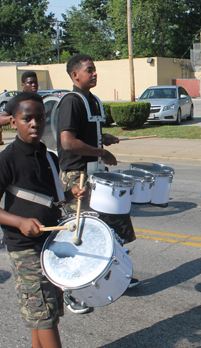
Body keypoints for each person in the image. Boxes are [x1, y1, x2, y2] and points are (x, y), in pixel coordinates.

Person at [0, 92, 86, 348]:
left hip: (49, 242)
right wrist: (20, 222)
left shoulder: (48, 156)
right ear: (13, 122)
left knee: (46, 306)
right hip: (24, 245)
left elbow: (51, 194)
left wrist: (70, 191)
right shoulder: (5, 160)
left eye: (40, 118)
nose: (34, 124)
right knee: (42, 310)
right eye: (27, 118)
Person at [56, 54, 139, 314]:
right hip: (76, 176)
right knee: (80, 235)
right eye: (89, 70)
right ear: (75, 75)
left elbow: (85, 132)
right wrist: (101, 152)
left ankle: (110, 277)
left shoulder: (91, 100)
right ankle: (72, 293)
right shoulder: (71, 101)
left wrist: (104, 138)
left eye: (95, 69)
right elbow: (68, 142)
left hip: (93, 173)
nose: (94, 74)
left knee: (109, 227)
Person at [0, 71, 39, 145]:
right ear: (23, 85)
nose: (33, 85)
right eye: (30, 83)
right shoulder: (17, 101)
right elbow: (0, 120)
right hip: (24, 142)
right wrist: (19, 117)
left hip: (40, 140)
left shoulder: (40, 100)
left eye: (35, 82)